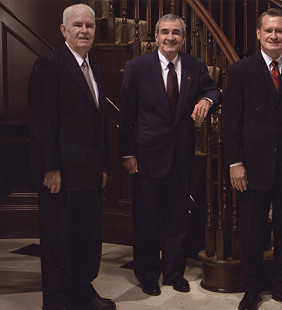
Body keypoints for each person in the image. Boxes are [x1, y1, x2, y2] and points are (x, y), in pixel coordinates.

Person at [222, 8, 282, 310]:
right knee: (252, 231)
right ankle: (251, 289)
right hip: (252, 168)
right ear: (258, 34)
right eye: (269, 31)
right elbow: (231, 122)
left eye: (279, 31)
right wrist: (235, 163)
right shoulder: (241, 70)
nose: (274, 36)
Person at [119, 14, 221, 296]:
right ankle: (148, 275)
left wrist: (206, 99)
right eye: (165, 32)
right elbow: (126, 115)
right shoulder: (137, 67)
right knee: (147, 220)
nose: (170, 37)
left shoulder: (195, 66)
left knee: (177, 219)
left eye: (176, 33)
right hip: (146, 157)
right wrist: (127, 153)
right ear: (155, 36)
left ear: (183, 38)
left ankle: (174, 273)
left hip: (181, 157)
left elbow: (213, 89)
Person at [28, 4, 115, 310]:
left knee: (85, 239)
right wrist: (51, 168)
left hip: (89, 174)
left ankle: (82, 293)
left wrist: (103, 167)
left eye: (89, 26)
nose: (84, 31)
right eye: (77, 25)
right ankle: (58, 303)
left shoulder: (97, 66)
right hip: (61, 174)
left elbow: (99, 122)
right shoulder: (48, 64)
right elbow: (42, 123)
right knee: (58, 243)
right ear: (63, 30)